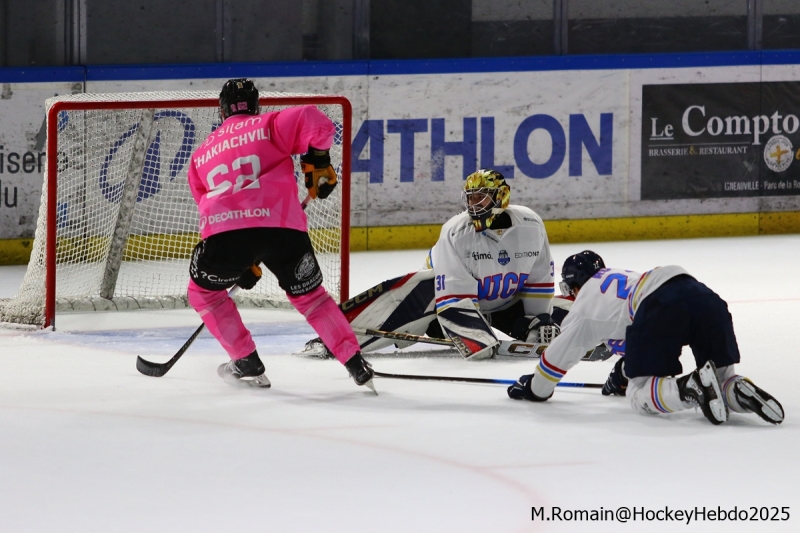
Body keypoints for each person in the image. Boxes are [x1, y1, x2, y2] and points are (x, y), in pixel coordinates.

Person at [186, 78, 374, 390]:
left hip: (226, 236)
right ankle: (355, 362)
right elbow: (315, 119)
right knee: (312, 299)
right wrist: (317, 161)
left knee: (204, 293)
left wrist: (240, 264)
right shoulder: (269, 124)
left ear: (221, 111)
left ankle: (245, 359)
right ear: (256, 104)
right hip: (283, 231)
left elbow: (205, 208)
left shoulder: (201, 154)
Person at [300, 169, 561, 360]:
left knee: (568, 309)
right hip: (443, 304)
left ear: (501, 197)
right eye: (469, 199)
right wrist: (476, 335)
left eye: (480, 198)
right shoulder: (456, 233)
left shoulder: (531, 225)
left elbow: (539, 280)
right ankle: (333, 338)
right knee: (418, 286)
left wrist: (538, 320)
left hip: (500, 302)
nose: (472, 206)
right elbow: (452, 299)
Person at [507, 250, 784, 425]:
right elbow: (638, 337)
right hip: (701, 294)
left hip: (659, 306)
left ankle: (691, 386)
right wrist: (622, 371)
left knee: (640, 393)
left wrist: (534, 388)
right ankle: (734, 389)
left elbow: (555, 361)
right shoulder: (623, 277)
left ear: (575, 284)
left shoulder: (584, 306)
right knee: (721, 377)